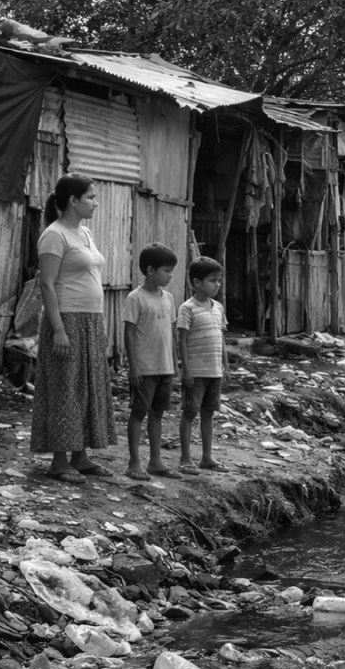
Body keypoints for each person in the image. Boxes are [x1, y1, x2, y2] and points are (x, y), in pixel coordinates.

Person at [31, 173, 116, 484]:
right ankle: (59, 460)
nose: (95, 202)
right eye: (90, 197)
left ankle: (81, 456)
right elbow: (47, 284)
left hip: (91, 320)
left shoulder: (85, 233)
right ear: (73, 201)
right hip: (66, 319)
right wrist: (58, 329)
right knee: (65, 387)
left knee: (88, 385)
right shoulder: (54, 235)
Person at [123, 242, 180, 481]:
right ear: (149, 271)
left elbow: (172, 332)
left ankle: (155, 461)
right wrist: (133, 366)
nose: (170, 275)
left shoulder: (168, 298)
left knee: (158, 413)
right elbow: (128, 333)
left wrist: (175, 363)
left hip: (164, 366)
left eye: (171, 271)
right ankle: (134, 462)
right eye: (166, 271)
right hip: (145, 368)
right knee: (139, 412)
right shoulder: (136, 298)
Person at [176, 256, 230, 474]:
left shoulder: (218, 308)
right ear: (197, 283)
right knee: (190, 412)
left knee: (209, 413)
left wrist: (226, 365)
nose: (217, 284)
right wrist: (185, 369)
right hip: (196, 372)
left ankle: (207, 457)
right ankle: (185, 458)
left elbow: (221, 337)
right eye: (213, 280)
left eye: (219, 280)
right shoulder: (187, 309)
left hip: (214, 370)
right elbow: (181, 340)